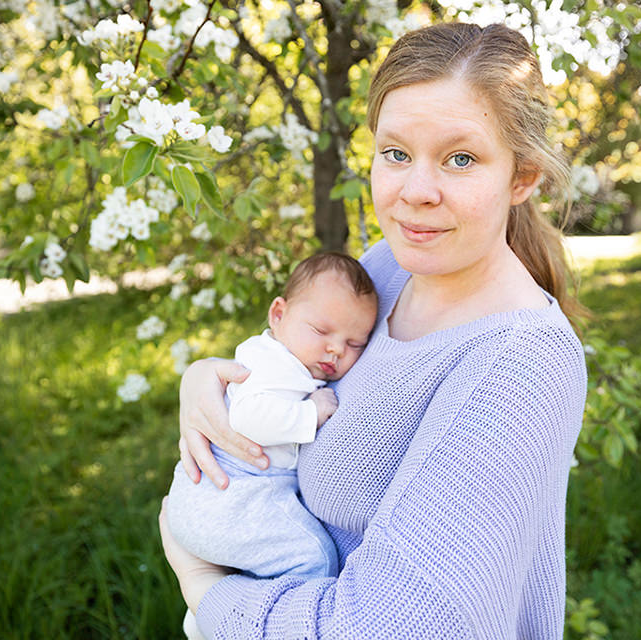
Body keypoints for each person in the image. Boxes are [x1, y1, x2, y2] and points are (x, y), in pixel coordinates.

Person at [160, 21, 588, 639]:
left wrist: (206, 589)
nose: (415, 192)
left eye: (460, 158)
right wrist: (205, 385)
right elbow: (290, 363)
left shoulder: (519, 365)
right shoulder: (386, 267)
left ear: (521, 176)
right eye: (396, 153)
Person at [165, 252, 378, 640]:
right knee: (312, 556)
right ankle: (230, 618)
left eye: (354, 343)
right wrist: (309, 414)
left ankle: (205, 617)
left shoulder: (282, 357)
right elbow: (248, 419)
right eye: (321, 331)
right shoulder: (274, 366)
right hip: (231, 498)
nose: (335, 350)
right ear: (278, 315)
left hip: (214, 501)